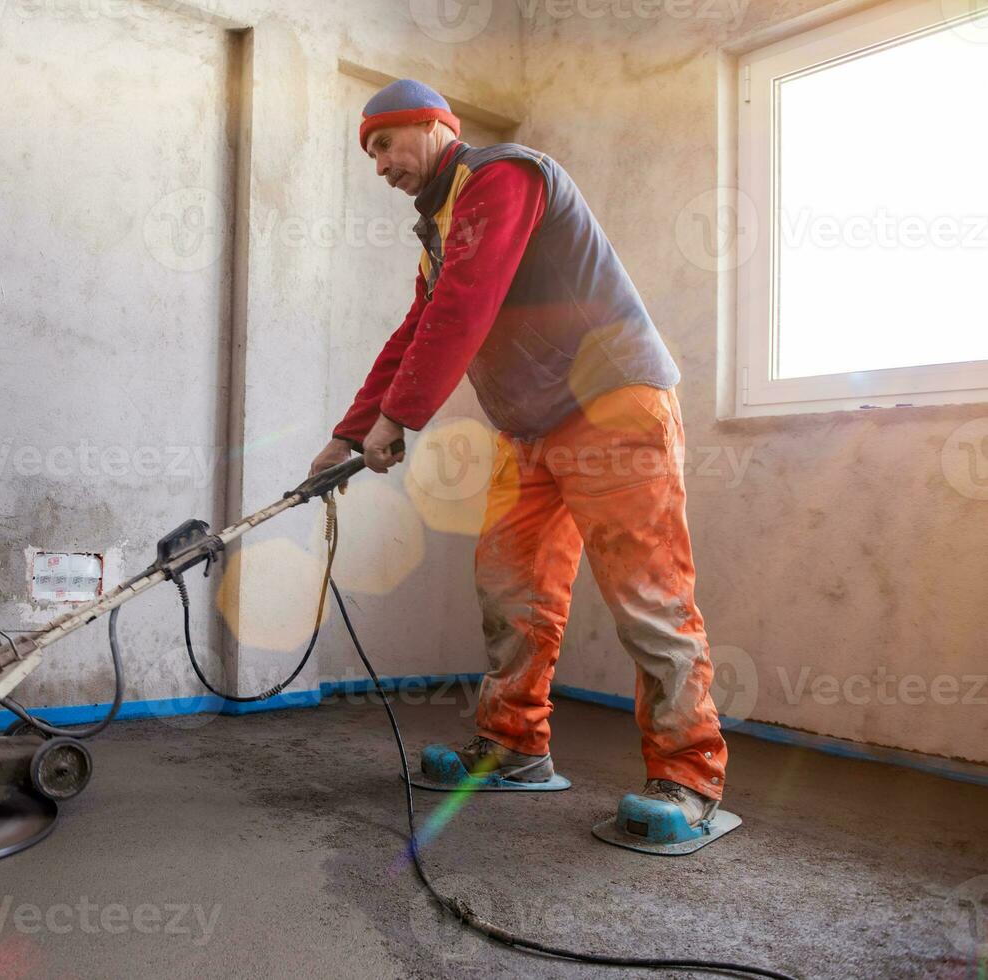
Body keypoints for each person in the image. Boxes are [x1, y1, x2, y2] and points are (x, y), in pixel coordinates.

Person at [308, 78, 728, 829]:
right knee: (510, 591)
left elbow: (465, 305)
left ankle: (689, 780)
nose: (377, 166)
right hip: (530, 429)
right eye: (369, 153)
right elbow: (417, 330)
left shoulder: (503, 176)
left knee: (647, 598)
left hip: (612, 406)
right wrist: (347, 432)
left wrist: (398, 419)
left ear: (432, 125)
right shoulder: (441, 226)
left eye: (383, 144)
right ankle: (513, 749)